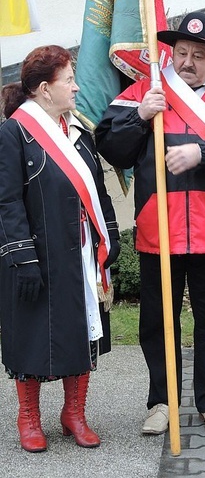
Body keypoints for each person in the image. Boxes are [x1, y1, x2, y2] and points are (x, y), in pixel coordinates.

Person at [95, 11, 205, 435]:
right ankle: (161, 402)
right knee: (157, 323)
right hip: (158, 231)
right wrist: (139, 117)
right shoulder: (144, 91)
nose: (187, 61)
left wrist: (201, 154)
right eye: (181, 52)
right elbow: (110, 147)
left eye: (198, 55)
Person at [0, 45, 120, 452]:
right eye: (69, 79)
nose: (76, 86)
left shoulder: (80, 134)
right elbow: (7, 200)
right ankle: (29, 418)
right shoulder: (14, 132)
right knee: (31, 333)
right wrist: (21, 256)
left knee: (82, 328)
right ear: (44, 89)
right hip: (34, 254)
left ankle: (74, 414)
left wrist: (111, 236)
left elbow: (99, 193)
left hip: (80, 251)